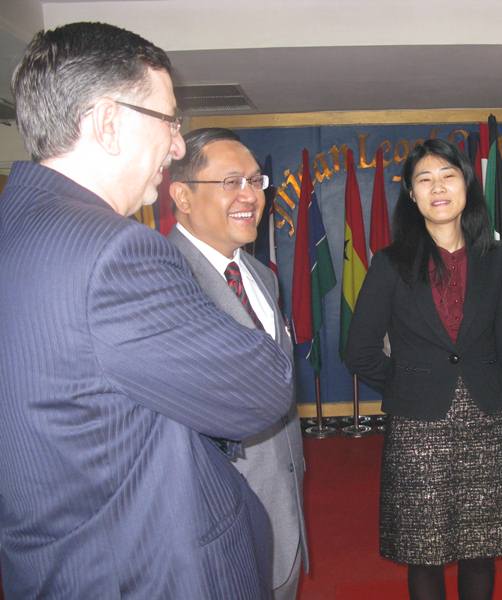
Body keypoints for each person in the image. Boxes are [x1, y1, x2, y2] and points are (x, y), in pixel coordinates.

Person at [0, 23, 293, 598]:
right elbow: (263, 389)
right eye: (167, 120)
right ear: (108, 122)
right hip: (147, 570)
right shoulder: (116, 252)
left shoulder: (18, 222)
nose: (177, 146)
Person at [345, 138, 502, 600]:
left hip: (487, 420)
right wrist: (408, 383)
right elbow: (359, 350)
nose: (438, 188)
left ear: (466, 187)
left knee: (481, 548)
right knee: (424, 552)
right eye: (425, 179)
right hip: (417, 428)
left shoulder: (497, 259)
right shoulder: (390, 264)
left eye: (448, 176)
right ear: (412, 195)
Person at [167, 128, 307, 600]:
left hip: (282, 501)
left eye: (255, 181)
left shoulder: (262, 275)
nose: (251, 195)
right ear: (182, 196)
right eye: (231, 182)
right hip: (211, 522)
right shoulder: (160, 277)